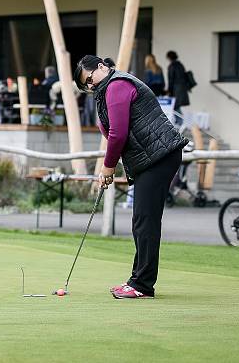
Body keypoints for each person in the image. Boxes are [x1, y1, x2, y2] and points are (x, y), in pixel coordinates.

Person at [74, 55, 188, 299]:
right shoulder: (106, 90)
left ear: (102, 67)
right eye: (87, 86)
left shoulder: (117, 85)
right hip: (150, 158)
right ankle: (137, 281)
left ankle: (142, 285)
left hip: (160, 155)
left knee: (145, 220)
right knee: (142, 220)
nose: (91, 86)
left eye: (90, 79)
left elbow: (118, 134)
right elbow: (111, 130)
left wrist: (107, 167)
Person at [166, 50, 190, 125]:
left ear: (169, 57)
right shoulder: (180, 65)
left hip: (176, 90)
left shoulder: (172, 66)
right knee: (176, 106)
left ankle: (180, 123)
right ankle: (179, 122)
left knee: (175, 106)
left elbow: (171, 79)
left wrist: (169, 91)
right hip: (182, 89)